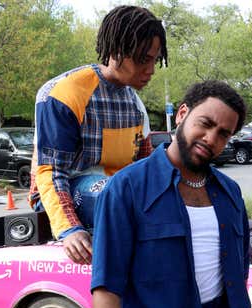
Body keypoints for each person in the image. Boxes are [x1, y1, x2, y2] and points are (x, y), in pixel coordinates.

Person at [91, 80, 251, 308]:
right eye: (205, 123)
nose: (211, 138)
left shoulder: (230, 193)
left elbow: (240, 271)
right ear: (182, 113)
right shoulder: (126, 188)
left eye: (223, 134)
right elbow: (107, 287)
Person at [28, 5, 168, 264]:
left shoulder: (135, 103)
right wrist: (69, 228)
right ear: (116, 51)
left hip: (119, 191)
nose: (150, 70)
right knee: (115, 196)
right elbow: (51, 172)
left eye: (154, 60)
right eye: (142, 59)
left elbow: (144, 165)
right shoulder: (63, 94)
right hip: (65, 191)